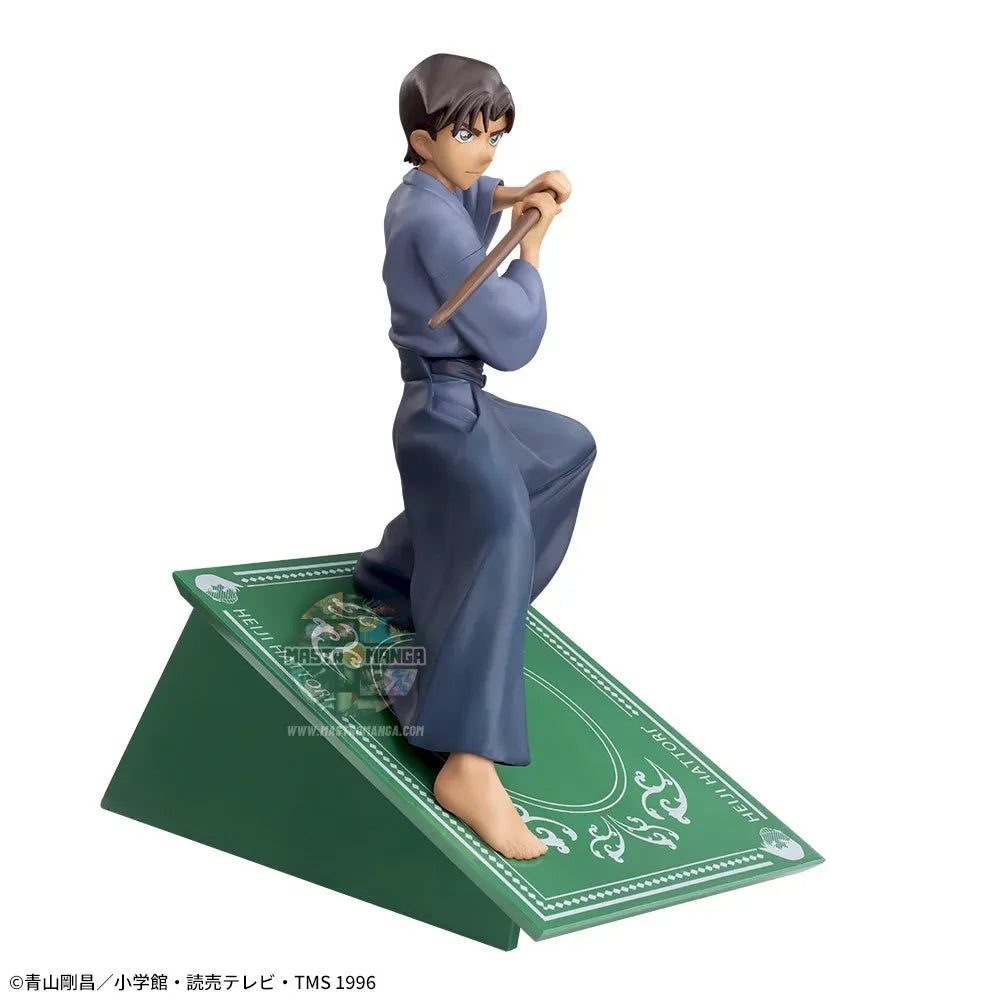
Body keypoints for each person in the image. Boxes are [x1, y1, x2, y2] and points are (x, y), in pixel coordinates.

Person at [353, 52, 596, 860]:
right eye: (468, 135)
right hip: (443, 415)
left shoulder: (429, 191)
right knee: (501, 532)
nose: (484, 149)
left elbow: (469, 194)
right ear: (423, 140)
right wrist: (533, 249)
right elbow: (513, 337)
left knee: (564, 451)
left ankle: (402, 578)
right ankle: (468, 762)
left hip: (464, 405)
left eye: (494, 134)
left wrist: (515, 194)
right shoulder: (422, 219)